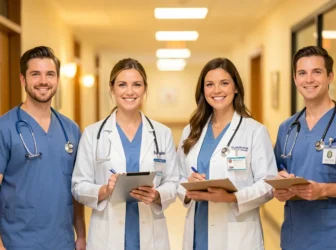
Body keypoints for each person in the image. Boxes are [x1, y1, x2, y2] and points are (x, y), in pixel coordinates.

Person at [72, 58, 178, 250]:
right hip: (107, 235)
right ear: (112, 89)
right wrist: (104, 190)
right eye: (122, 85)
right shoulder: (93, 134)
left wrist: (156, 194)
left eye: (136, 85)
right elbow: (78, 186)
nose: (130, 91)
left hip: (151, 235)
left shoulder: (162, 133)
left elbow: (173, 182)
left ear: (145, 89)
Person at [177, 57, 277, 250]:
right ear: (202, 90)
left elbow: (268, 183)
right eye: (209, 84)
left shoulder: (254, 131)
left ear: (236, 88)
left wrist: (232, 197)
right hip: (198, 230)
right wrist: (188, 189)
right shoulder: (191, 130)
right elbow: (177, 177)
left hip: (236, 236)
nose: (217, 90)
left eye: (224, 83)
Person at [0, 46, 86, 250]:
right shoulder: (5, 127)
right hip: (17, 242)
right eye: (35, 74)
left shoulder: (70, 129)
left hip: (62, 241)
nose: (43, 81)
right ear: (23, 79)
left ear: (57, 79)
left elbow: (77, 188)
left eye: (50, 74)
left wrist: (81, 235)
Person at [274, 46, 336, 250]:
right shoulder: (287, 128)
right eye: (302, 73)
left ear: (330, 76)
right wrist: (279, 189)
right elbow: (276, 174)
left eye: (316, 72)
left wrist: (323, 189)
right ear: (295, 78)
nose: (309, 79)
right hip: (295, 237)